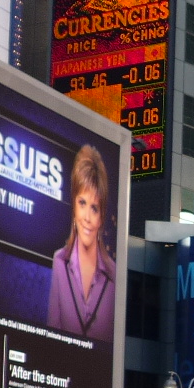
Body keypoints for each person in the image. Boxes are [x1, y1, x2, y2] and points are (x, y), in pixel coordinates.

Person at [46, 145, 116, 341]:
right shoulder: (59, 261)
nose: (87, 217)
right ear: (74, 207)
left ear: (102, 216)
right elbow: (52, 331)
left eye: (94, 208)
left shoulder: (113, 275)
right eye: (82, 203)